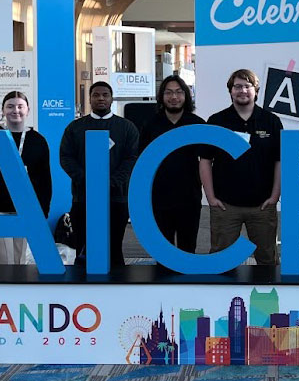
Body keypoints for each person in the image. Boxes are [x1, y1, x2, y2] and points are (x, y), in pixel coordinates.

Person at [200, 69, 284, 266]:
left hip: (262, 206)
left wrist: (274, 197)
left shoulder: (271, 121)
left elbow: (279, 161)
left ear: (256, 90)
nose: (242, 90)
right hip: (226, 206)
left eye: (247, 86)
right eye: (237, 86)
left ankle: (269, 297)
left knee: (268, 261)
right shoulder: (217, 121)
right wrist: (211, 198)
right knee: (220, 262)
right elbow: (205, 161)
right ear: (230, 91)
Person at [59, 82, 139, 269]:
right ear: (90, 99)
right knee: (83, 247)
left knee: (114, 247)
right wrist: (88, 181)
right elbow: (66, 157)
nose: (101, 98)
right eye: (96, 95)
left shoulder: (127, 128)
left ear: (111, 98)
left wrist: (111, 183)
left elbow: (131, 159)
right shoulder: (75, 128)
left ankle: (118, 290)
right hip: (83, 198)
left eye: (105, 95)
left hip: (117, 198)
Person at [0, 91, 52, 265]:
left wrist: (43, 210)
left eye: (20, 106)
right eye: (10, 106)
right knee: (2, 261)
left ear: (28, 110)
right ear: (2, 110)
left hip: (24, 209)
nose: (15, 110)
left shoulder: (38, 141)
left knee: (18, 261)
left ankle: (16, 293)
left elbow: (44, 180)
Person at [139, 76, 206, 253]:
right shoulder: (151, 124)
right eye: (168, 92)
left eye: (178, 92)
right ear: (161, 96)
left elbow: (208, 159)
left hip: (189, 198)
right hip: (159, 198)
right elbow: (141, 161)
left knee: (188, 248)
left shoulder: (197, 123)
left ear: (186, 96)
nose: (174, 97)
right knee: (162, 251)